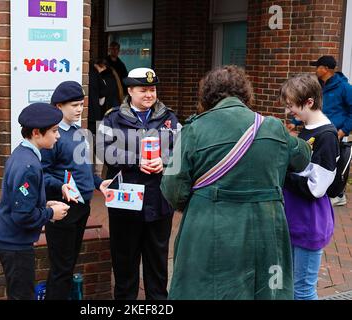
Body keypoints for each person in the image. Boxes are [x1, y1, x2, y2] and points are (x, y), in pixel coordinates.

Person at [160, 65, 312, 300]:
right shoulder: (272, 127)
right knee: (266, 289)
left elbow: (172, 189)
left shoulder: (193, 130)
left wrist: (200, 201)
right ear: (245, 93)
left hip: (210, 227)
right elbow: (302, 158)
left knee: (206, 290)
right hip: (266, 229)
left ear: (207, 95)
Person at [97, 67, 180, 300]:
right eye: (143, 90)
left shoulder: (169, 117)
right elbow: (104, 150)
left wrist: (164, 162)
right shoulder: (112, 117)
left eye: (152, 90)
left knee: (157, 264)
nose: (149, 95)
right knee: (125, 263)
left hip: (159, 201)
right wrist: (136, 160)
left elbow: (181, 149)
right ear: (130, 91)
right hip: (126, 201)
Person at [0, 103, 70, 300]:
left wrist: (46, 204)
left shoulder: (24, 154)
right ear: (36, 132)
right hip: (14, 242)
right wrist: (51, 214)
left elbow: (21, 200)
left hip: (10, 238)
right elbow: (23, 215)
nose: (57, 136)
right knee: (22, 295)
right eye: (54, 131)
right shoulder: (28, 165)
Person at [41, 81, 112, 300]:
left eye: (81, 104)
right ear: (59, 106)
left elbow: (82, 168)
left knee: (69, 264)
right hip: (62, 209)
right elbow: (43, 174)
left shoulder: (78, 132)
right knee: (61, 269)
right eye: (74, 105)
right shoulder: (51, 135)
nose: (80, 109)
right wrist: (60, 186)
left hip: (82, 207)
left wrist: (98, 182)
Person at [280, 74, 339, 300]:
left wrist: (282, 172)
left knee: (303, 292)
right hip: (297, 221)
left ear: (309, 102)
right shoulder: (307, 129)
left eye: (292, 105)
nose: (289, 111)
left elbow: (316, 187)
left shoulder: (326, 136)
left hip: (309, 224)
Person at [309, 56, 352, 206]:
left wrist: (343, 131)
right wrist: (295, 122)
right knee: (320, 162)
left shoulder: (345, 88)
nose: (316, 70)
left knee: (335, 164)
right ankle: (325, 192)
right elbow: (311, 105)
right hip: (319, 131)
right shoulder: (318, 86)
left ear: (325, 69)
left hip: (336, 133)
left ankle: (339, 194)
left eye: (318, 67)